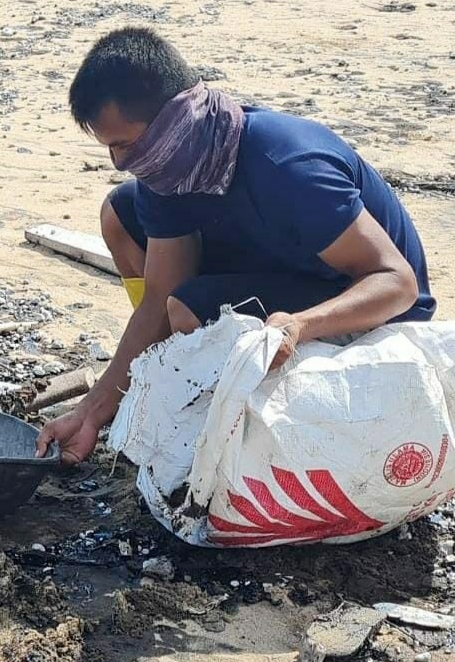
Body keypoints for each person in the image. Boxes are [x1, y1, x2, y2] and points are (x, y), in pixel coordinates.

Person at [36, 27, 435, 466]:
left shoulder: (287, 166)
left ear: (175, 117)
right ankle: (175, 374)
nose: (121, 162)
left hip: (368, 301)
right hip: (281, 261)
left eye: (125, 145)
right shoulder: (168, 168)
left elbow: (399, 284)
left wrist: (300, 326)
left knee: (188, 308)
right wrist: (91, 411)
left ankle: (231, 417)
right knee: (122, 216)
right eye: (110, 149)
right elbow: (156, 300)